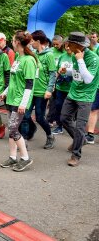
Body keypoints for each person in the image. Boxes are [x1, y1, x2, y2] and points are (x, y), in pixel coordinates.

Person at [0, 30, 37, 172]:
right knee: (11, 128)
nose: (11, 43)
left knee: (14, 129)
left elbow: (29, 84)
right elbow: (14, 81)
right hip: (11, 99)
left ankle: (25, 158)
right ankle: (13, 157)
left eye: (13, 41)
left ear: (18, 43)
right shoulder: (18, 59)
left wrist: (23, 103)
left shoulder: (29, 61)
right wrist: (4, 93)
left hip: (20, 101)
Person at [60, 32, 99, 166]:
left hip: (86, 96)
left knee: (80, 126)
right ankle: (80, 140)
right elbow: (78, 73)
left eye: (69, 43)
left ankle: (76, 155)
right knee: (64, 118)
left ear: (77, 45)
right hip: (73, 93)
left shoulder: (93, 58)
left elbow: (88, 79)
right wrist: (67, 71)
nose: (67, 45)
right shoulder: (74, 56)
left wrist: (80, 60)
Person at [19, 30, 56, 149]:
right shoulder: (32, 53)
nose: (31, 43)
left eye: (33, 41)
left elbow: (52, 74)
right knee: (25, 116)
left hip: (42, 92)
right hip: (30, 91)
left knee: (40, 117)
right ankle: (24, 141)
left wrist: (49, 90)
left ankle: (50, 135)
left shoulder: (49, 54)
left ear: (38, 41)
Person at [52, 40, 73, 135]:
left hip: (71, 88)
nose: (67, 48)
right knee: (58, 106)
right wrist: (53, 84)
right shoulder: (62, 56)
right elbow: (56, 71)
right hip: (60, 87)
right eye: (66, 46)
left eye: (69, 46)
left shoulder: (76, 57)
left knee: (69, 110)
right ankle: (59, 126)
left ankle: (70, 128)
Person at [46, 35, 65, 127]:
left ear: (62, 43)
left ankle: (59, 120)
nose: (55, 46)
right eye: (53, 44)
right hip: (52, 78)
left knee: (59, 102)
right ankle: (50, 119)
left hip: (63, 80)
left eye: (57, 44)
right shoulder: (51, 51)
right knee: (52, 100)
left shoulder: (65, 52)